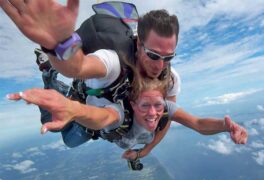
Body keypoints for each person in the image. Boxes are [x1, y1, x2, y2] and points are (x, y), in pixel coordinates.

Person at [1, 0, 181, 157]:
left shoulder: (170, 80)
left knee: (68, 136)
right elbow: (78, 67)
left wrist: (146, 150)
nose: (160, 65)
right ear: (138, 43)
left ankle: (62, 87)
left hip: (97, 114)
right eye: (153, 55)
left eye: (169, 57)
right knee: (66, 136)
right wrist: (56, 44)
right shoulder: (114, 61)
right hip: (90, 108)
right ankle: (48, 74)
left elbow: (168, 114)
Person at [7, 74, 248, 164]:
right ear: (133, 104)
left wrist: (224, 127)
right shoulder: (119, 112)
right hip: (90, 126)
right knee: (67, 138)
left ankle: (59, 89)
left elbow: (196, 123)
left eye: (158, 105)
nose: (153, 113)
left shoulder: (166, 108)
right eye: (145, 106)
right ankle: (52, 82)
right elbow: (101, 117)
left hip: (116, 136)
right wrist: (73, 110)